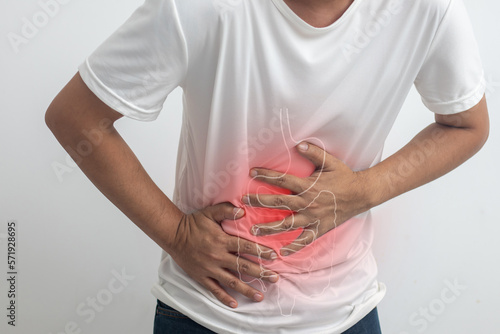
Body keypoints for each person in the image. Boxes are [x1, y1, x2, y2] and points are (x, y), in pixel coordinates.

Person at [45, 0, 489, 332]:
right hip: (208, 313)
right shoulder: (199, 7)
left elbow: (467, 125)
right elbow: (77, 117)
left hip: (346, 314)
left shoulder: (425, 9)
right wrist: (177, 234)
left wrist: (364, 190)